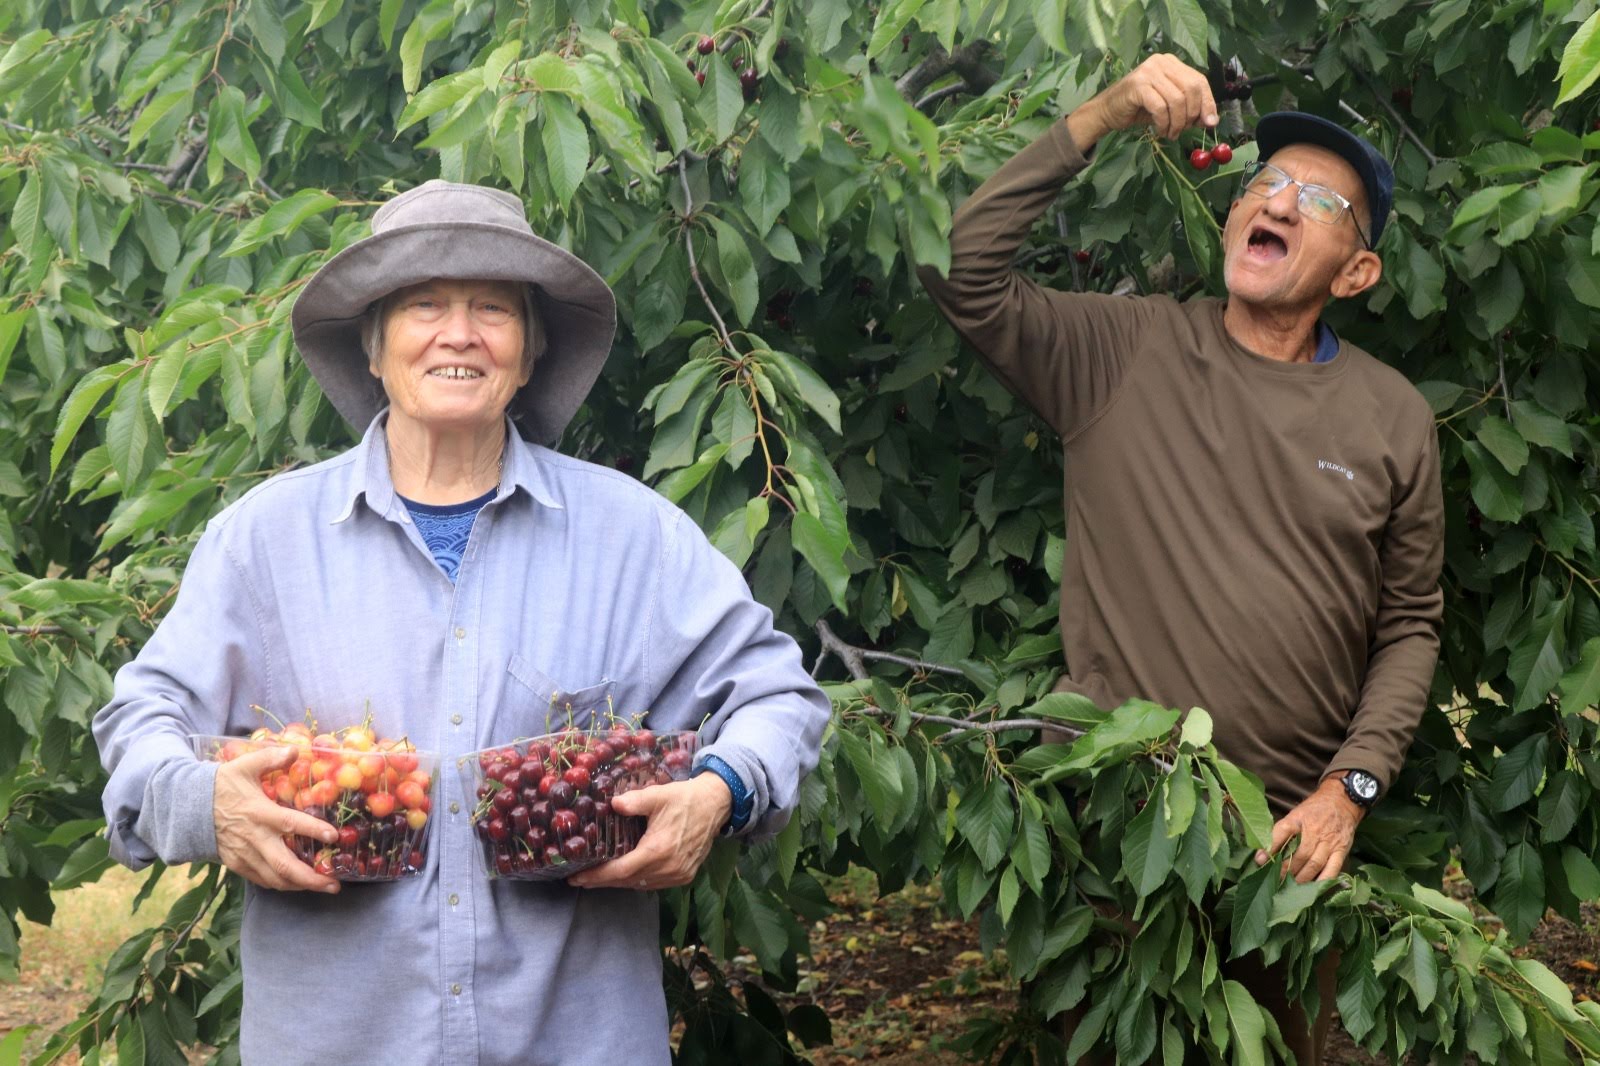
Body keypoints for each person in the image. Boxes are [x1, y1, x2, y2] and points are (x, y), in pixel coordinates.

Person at [93, 180, 831, 1065]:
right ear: (374, 349)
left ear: (528, 355)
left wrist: (720, 792)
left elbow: (778, 696)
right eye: (423, 306)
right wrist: (204, 804)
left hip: (575, 1041)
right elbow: (139, 723)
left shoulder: (632, 536)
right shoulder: (263, 542)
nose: (459, 332)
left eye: (492, 309)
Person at [918, 54, 1444, 1063]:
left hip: (1289, 858)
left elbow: (1409, 623)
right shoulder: (1121, 352)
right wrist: (1100, 117)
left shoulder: (1392, 417)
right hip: (1121, 842)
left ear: (1356, 269)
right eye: (1263, 184)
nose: (1279, 201)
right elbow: (959, 269)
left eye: (1318, 199)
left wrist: (1352, 788)